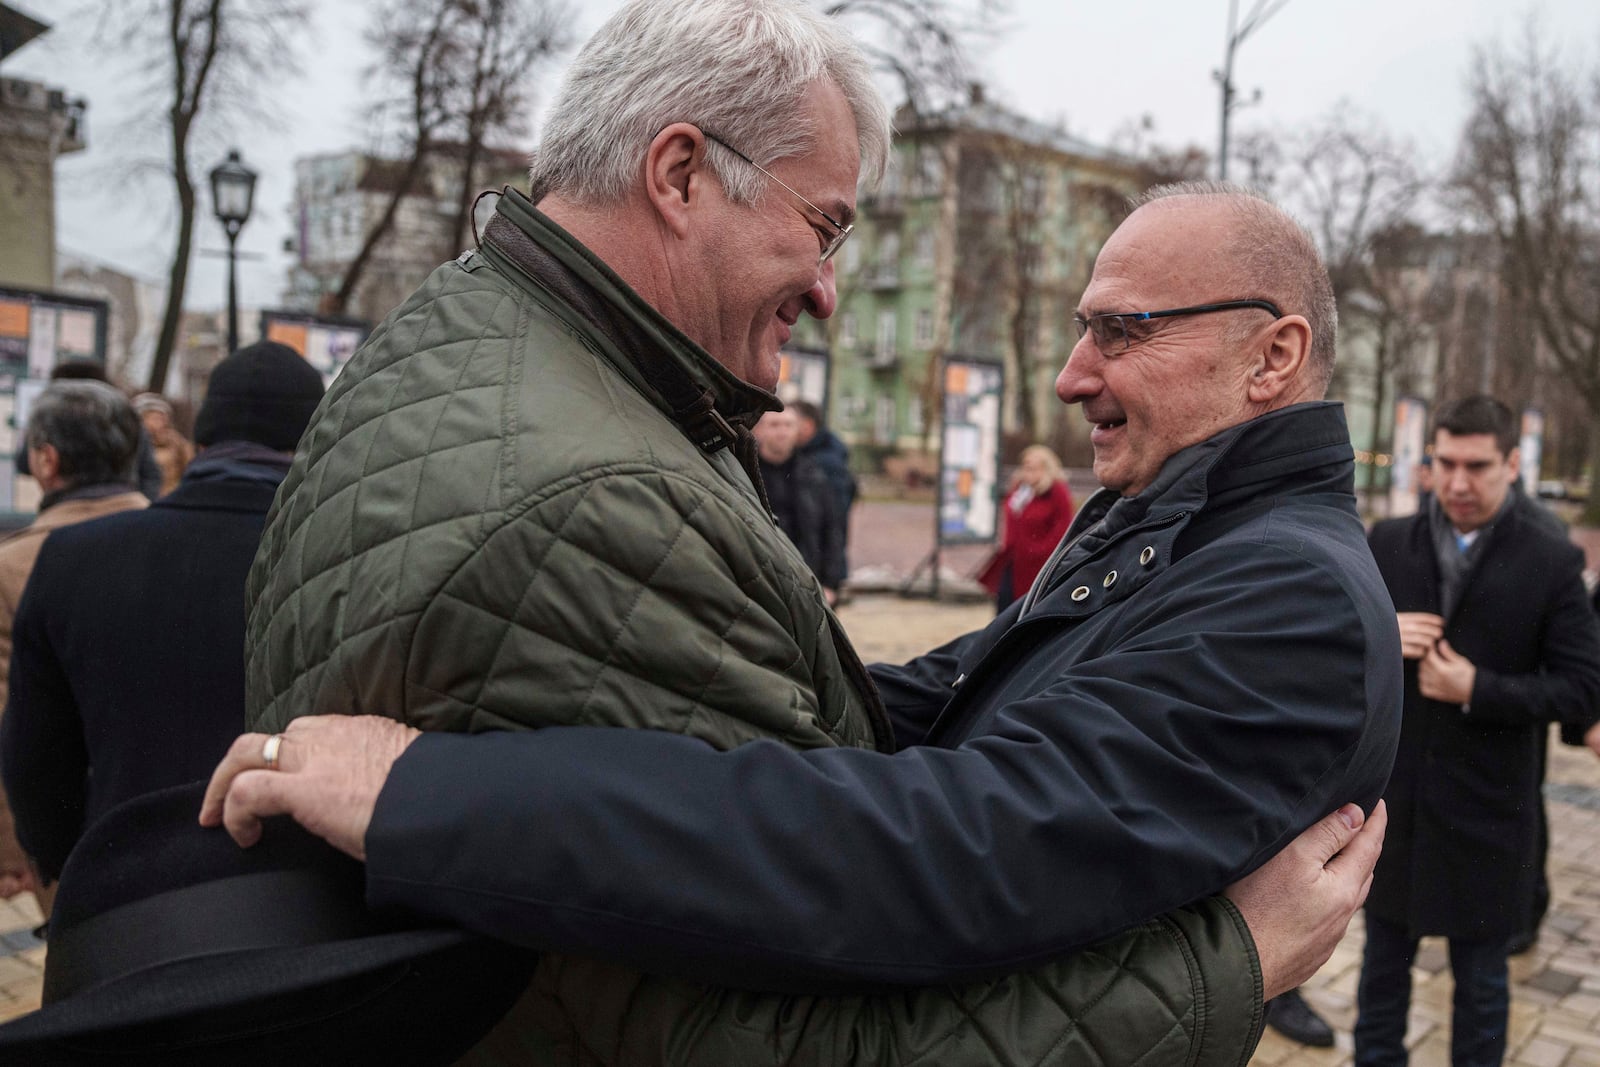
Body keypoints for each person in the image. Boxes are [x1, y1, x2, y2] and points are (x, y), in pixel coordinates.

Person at [206, 41, 1398, 1050]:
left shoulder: (1287, 592)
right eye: (1084, 329)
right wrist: (756, 680)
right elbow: (953, 697)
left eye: (1121, 331)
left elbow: (951, 841)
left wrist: (433, 795)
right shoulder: (1177, 523)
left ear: (1273, 356)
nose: (1076, 372)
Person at [0, 342, 325, 897]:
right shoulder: (334, 554)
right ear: (318, 440)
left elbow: (34, 759)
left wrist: (67, 873)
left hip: (119, 891)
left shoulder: (70, 557)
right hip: (299, 898)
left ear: (199, 442)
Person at [1356, 395, 1600, 1067]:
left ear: (1512, 463)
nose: (1458, 483)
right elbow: (1331, 651)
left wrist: (1478, 689)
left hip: (1491, 812)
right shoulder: (1388, 541)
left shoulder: (1551, 557)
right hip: (1398, 807)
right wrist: (1378, 634)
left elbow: (1582, 687)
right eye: (1445, 463)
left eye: (1478, 466)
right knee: (1380, 979)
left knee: (1483, 988)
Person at [0, 381, 146, 902]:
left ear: (45, 460)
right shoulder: (180, 543)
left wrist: (12, 852)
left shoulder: (14, 566)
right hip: (180, 822)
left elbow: (10, 718)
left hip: (66, 837)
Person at [14, 359, 163, 501]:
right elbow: (150, 473)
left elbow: (24, 463)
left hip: (66, 510)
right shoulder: (126, 422)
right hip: (120, 512)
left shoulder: (50, 425)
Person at [754, 406, 845, 603]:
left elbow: (832, 531)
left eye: (788, 425)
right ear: (759, 430)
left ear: (798, 431)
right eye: (774, 424)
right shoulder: (745, 473)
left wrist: (830, 584)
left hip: (807, 582)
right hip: (759, 582)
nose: (782, 431)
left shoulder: (814, 476)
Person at [978, 443, 1074, 610]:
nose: (1027, 472)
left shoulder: (1057, 491)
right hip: (1013, 559)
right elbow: (1011, 514)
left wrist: (1041, 551)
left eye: (1033, 467)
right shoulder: (1021, 489)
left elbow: (1063, 528)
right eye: (1025, 466)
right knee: (1004, 607)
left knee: (1027, 607)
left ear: (1046, 468)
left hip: (1039, 563)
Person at [791, 397, 855, 571]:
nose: (786, 430)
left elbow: (835, 520)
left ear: (808, 425)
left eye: (791, 423)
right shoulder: (804, 455)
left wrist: (831, 577)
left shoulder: (825, 463)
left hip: (818, 567)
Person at [133, 393, 195, 496]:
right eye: (154, 418)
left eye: (162, 418)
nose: (160, 422)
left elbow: (190, 468)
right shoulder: (133, 443)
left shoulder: (177, 442)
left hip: (171, 499)